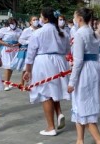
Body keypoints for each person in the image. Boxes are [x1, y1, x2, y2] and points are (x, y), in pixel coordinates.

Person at [23, 7, 71, 136]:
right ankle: (59, 113)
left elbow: (30, 54)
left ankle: (50, 127)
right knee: (54, 89)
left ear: (45, 18)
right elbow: (67, 50)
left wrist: (28, 70)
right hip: (60, 61)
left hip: (43, 61)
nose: (39, 19)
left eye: (40, 17)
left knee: (45, 93)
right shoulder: (63, 32)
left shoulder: (38, 33)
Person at [67, 7, 100, 144]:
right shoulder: (92, 32)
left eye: (74, 16)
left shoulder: (80, 34)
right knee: (80, 105)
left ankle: (99, 141)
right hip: (94, 68)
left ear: (79, 18)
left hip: (84, 70)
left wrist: (72, 82)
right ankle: (79, 140)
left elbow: (78, 60)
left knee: (83, 106)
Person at [11, 16, 40, 87]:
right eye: (34, 20)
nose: (35, 21)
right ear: (30, 22)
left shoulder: (40, 30)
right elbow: (20, 40)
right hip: (28, 50)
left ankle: (33, 83)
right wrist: (29, 42)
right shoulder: (27, 30)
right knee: (26, 67)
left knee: (36, 67)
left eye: (37, 19)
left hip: (38, 51)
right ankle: (23, 83)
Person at [0, 17, 22, 91]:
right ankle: (6, 84)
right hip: (6, 49)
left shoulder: (19, 30)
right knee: (8, 66)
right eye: (11, 23)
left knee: (12, 66)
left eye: (14, 23)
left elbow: (22, 40)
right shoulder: (3, 30)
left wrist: (17, 43)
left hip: (15, 49)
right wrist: (5, 44)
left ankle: (8, 81)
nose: (13, 24)